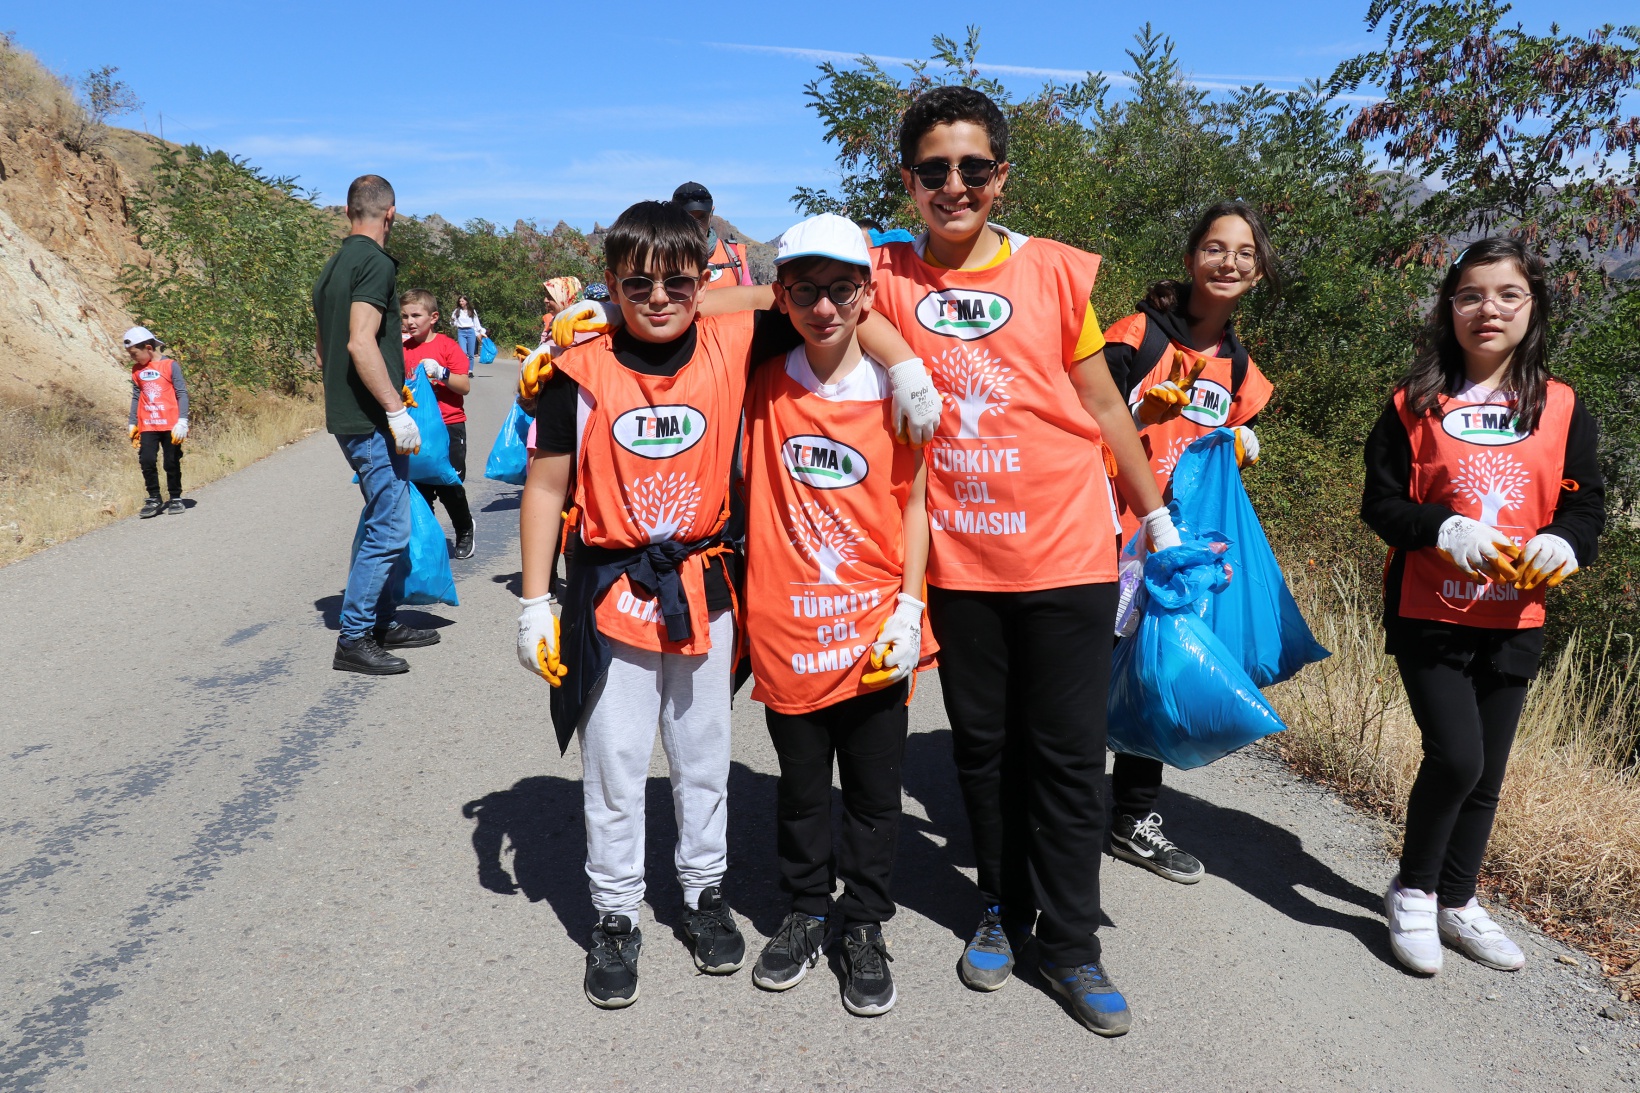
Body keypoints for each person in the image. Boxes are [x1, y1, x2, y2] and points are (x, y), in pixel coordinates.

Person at [519, 201, 920, 1011]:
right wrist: (534, 602)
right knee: (616, 763)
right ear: (609, 283)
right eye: (636, 284)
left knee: (702, 753)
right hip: (610, 588)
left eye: (678, 281)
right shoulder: (578, 368)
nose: (659, 298)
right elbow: (547, 483)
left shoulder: (735, 339)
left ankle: (704, 896)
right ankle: (615, 914)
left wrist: (906, 363)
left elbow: (824, 304)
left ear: (704, 280)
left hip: (705, 584)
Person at [864, 86, 1179, 1037]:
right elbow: (759, 296)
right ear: (908, 180)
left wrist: (1153, 514)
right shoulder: (881, 273)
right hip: (958, 562)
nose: (951, 185)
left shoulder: (1050, 274)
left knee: (1071, 759)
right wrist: (595, 315)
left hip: (1069, 554)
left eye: (971, 168)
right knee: (986, 754)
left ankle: (1073, 944)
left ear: (1001, 177)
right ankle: (1000, 908)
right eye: (932, 169)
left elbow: (1107, 407)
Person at [1361, 236, 1604, 976]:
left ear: (1534, 307)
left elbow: (1585, 505)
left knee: (1489, 770)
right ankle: (1413, 889)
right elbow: (1380, 504)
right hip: (1430, 608)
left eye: (1507, 295)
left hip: (1515, 617)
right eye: (1470, 294)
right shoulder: (1413, 402)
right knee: (1457, 755)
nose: (1487, 309)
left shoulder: (1563, 406)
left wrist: (1567, 542)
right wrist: (1441, 527)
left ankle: (1458, 901)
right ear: (1449, 307)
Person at [741, 214, 932, 1017]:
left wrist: (909, 603)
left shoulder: (897, 393)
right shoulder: (762, 382)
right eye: (806, 290)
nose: (824, 307)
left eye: (842, 289)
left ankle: (864, 923)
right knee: (800, 789)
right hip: (789, 628)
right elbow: (700, 309)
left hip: (874, 625)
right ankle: (806, 908)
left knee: (875, 792)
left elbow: (917, 503)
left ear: (867, 294)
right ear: (782, 297)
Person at [1100, 200, 1279, 884]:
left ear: (1257, 274)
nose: (1229, 262)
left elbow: (1212, 459)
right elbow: (1081, 420)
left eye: (1244, 253)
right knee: (1085, 677)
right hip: (1106, 533)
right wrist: (1144, 410)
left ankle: (1132, 818)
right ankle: (1050, 805)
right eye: (1215, 247)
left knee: (1156, 676)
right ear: (1189, 257)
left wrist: (1238, 444)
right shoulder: (1137, 336)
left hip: (1178, 554)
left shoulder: (1240, 370)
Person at [313, 174, 440, 676]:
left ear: (349, 212)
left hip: (350, 412)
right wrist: (394, 409)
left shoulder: (331, 269)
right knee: (389, 524)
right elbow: (359, 342)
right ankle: (356, 636)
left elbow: (324, 350)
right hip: (370, 418)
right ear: (390, 214)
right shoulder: (375, 262)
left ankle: (381, 620)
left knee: (381, 515)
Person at [400, 289, 476, 560]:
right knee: (419, 486)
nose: (409, 321)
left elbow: (464, 386)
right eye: (405, 316)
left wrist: (441, 373)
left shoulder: (447, 347)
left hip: (448, 424)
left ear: (433, 317)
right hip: (416, 426)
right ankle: (428, 540)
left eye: (416, 315)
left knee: (449, 484)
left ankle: (464, 528)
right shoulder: (402, 350)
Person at [123, 325, 189, 519]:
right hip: (148, 424)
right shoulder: (136, 370)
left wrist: (182, 420)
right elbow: (137, 396)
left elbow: (181, 393)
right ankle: (154, 497)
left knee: (171, 461)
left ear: (149, 349)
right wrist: (132, 423)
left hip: (171, 424)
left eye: (134, 353)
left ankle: (175, 497)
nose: (132, 358)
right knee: (147, 460)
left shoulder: (170, 365)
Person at [672, 182, 752, 291]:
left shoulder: (734, 255)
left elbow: (749, 301)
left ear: (711, 213)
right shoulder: (661, 255)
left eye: (701, 218)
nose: (696, 225)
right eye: (687, 219)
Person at [538, 276, 583, 345]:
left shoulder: (581, 329)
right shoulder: (553, 323)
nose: (545, 300)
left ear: (566, 297)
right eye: (546, 296)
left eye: (550, 296)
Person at [452, 294, 483, 369]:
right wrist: (455, 323)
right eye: (460, 301)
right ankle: (464, 368)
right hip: (461, 331)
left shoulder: (472, 311)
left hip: (470, 331)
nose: (461, 302)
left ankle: (470, 370)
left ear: (466, 301)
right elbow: (453, 321)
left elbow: (476, 323)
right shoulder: (457, 311)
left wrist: (481, 332)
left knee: (471, 353)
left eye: (462, 301)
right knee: (463, 352)